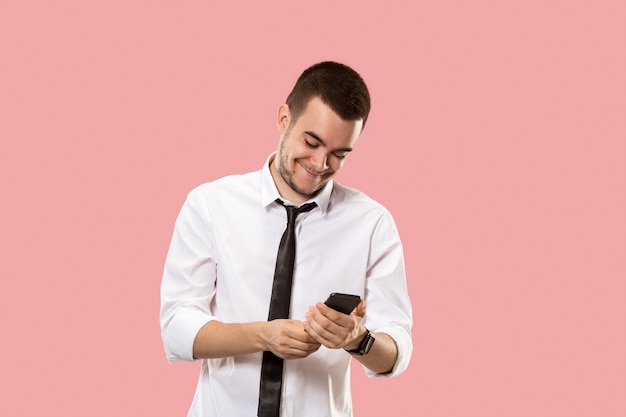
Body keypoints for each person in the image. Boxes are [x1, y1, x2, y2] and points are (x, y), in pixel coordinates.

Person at [160, 61, 413, 417]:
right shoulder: (210, 205)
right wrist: (264, 335)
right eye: (312, 142)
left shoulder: (372, 224)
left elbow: (396, 347)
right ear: (284, 119)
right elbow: (176, 328)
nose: (321, 163)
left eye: (339, 153)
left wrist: (358, 339)